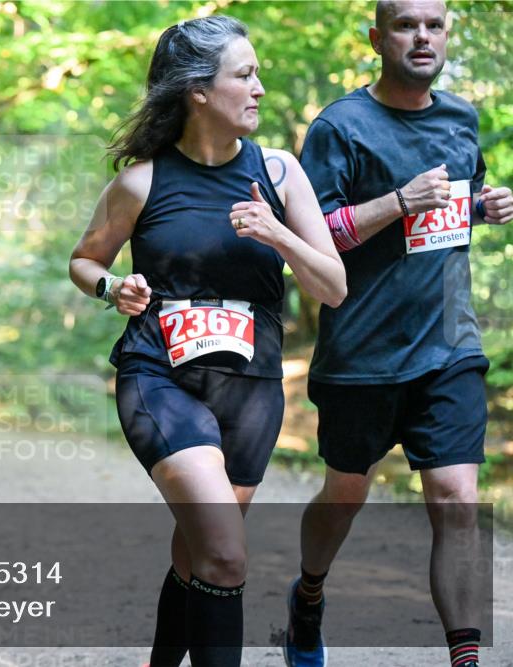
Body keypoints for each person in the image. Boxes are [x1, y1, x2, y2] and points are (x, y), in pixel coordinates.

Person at [69, 17, 346, 666]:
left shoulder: (278, 173)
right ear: (198, 91)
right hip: (158, 376)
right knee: (223, 550)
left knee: (197, 549)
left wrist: (278, 235)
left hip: (250, 390)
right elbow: (84, 262)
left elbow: (332, 286)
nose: (259, 87)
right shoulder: (141, 182)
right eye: (243, 75)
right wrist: (115, 288)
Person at [283, 3, 512, 666]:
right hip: (361, 353)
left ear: (447, 35)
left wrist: (483, 206)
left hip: (449, 345)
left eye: (434, 26)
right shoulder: (340, 126)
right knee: (344, 494)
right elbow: (311, 240)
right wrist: (395, 201)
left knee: (457, 499)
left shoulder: (462, 118)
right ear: (377, 38)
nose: (422, 37)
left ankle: (464, 655)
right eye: (407, 25)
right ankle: (310, 592)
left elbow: (450, 213)